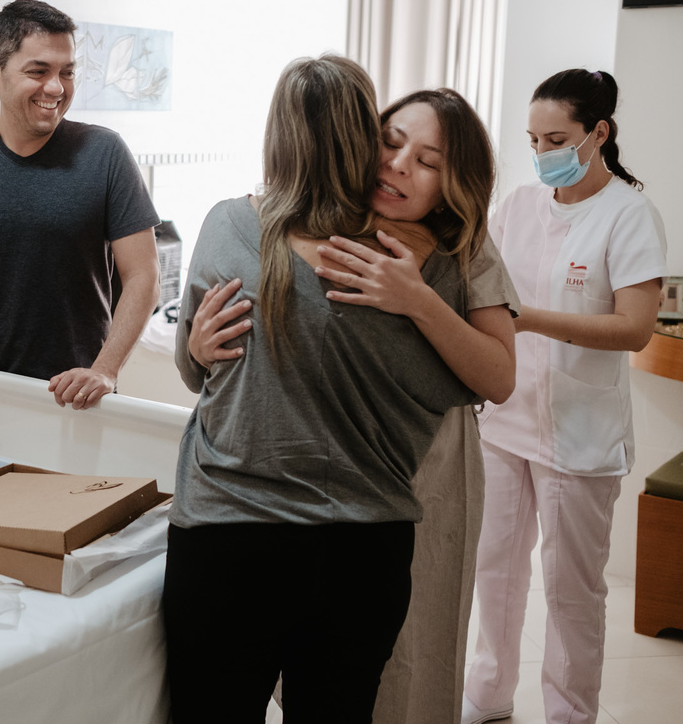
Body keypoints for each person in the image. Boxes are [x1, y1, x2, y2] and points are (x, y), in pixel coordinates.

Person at [164, 55, 485, 724]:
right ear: (366, 138)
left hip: (230, 533)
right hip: (361, 549)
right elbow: (462, 386)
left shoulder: (229, 226)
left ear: (276, 137)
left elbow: (198, 371)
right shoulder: (425, 260)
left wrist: (197, 351)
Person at [462, 69, 666, 724]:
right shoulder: (519, 205)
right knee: (492, 569)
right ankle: (487, 695)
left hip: (579, 434)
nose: (542, 151)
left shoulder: (630, 215)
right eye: (533, 139)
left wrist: (531, 318)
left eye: (557, 138)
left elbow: (634, 328)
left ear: (598, 133)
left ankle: (570, 715)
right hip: (504, 418)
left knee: (571, 593)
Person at [0, 0, 160, 434]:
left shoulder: (105, 154)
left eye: (68, 72)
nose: (57, 88)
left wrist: (106, 369)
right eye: (38, 71)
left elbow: (143, 275)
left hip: (78, 401)